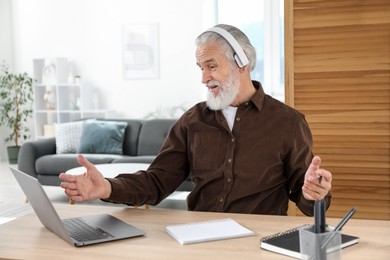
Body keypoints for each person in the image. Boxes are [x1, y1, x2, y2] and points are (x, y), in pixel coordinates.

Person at [60, 24, 332, 216]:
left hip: (258, 242)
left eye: (211, 66)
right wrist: (107, 187)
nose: (204, 78)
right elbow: (157, 182)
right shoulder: (193, 121)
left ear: (242, 62)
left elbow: (304, 194)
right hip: (200, 237)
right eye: (201, 68)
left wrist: (313, 194)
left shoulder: (288, 122)